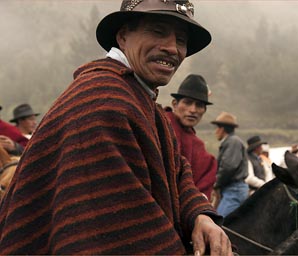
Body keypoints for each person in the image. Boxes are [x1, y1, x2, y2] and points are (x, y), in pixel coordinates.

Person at [0, 1, 232, 255]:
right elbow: (120, 236)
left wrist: (199, 215)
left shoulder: (142, 100)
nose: (172, 48)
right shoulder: (104, 102)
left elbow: (177, 172)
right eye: (158, 31)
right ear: (123, 37)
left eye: (180, 39)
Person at [165, 74, 217, 200]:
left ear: (204, 110)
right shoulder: (159, 125)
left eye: (199, 105)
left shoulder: (201, 149)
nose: (193, 110)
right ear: (175, 104)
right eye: (187, 102)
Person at [211, 112, 249, 217]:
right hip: (232, 189)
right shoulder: (232, 141)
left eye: (217, 128)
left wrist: (216, 183)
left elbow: (229, 167)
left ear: (222, 129)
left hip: (234, 190)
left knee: (221, 223)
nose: (215, 132)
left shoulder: (232, 142)